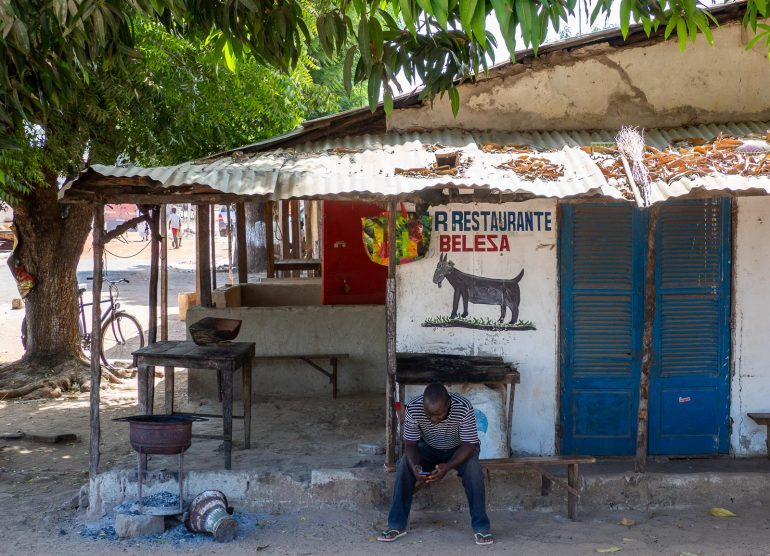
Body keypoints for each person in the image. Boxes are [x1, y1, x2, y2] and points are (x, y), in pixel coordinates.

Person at [378, 383, 493, 546]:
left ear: (448, 404)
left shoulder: (463, 407)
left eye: (438, 415)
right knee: (404, 464)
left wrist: (448, 466)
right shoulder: (413, 408)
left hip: (460, 449)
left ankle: (481, 527)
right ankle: (396, 525)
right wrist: (415, 465)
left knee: (474, 469)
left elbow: (469, 444)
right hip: (429, 448)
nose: (434, 419)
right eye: (429, 414)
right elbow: (410, 443)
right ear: (423, 406)